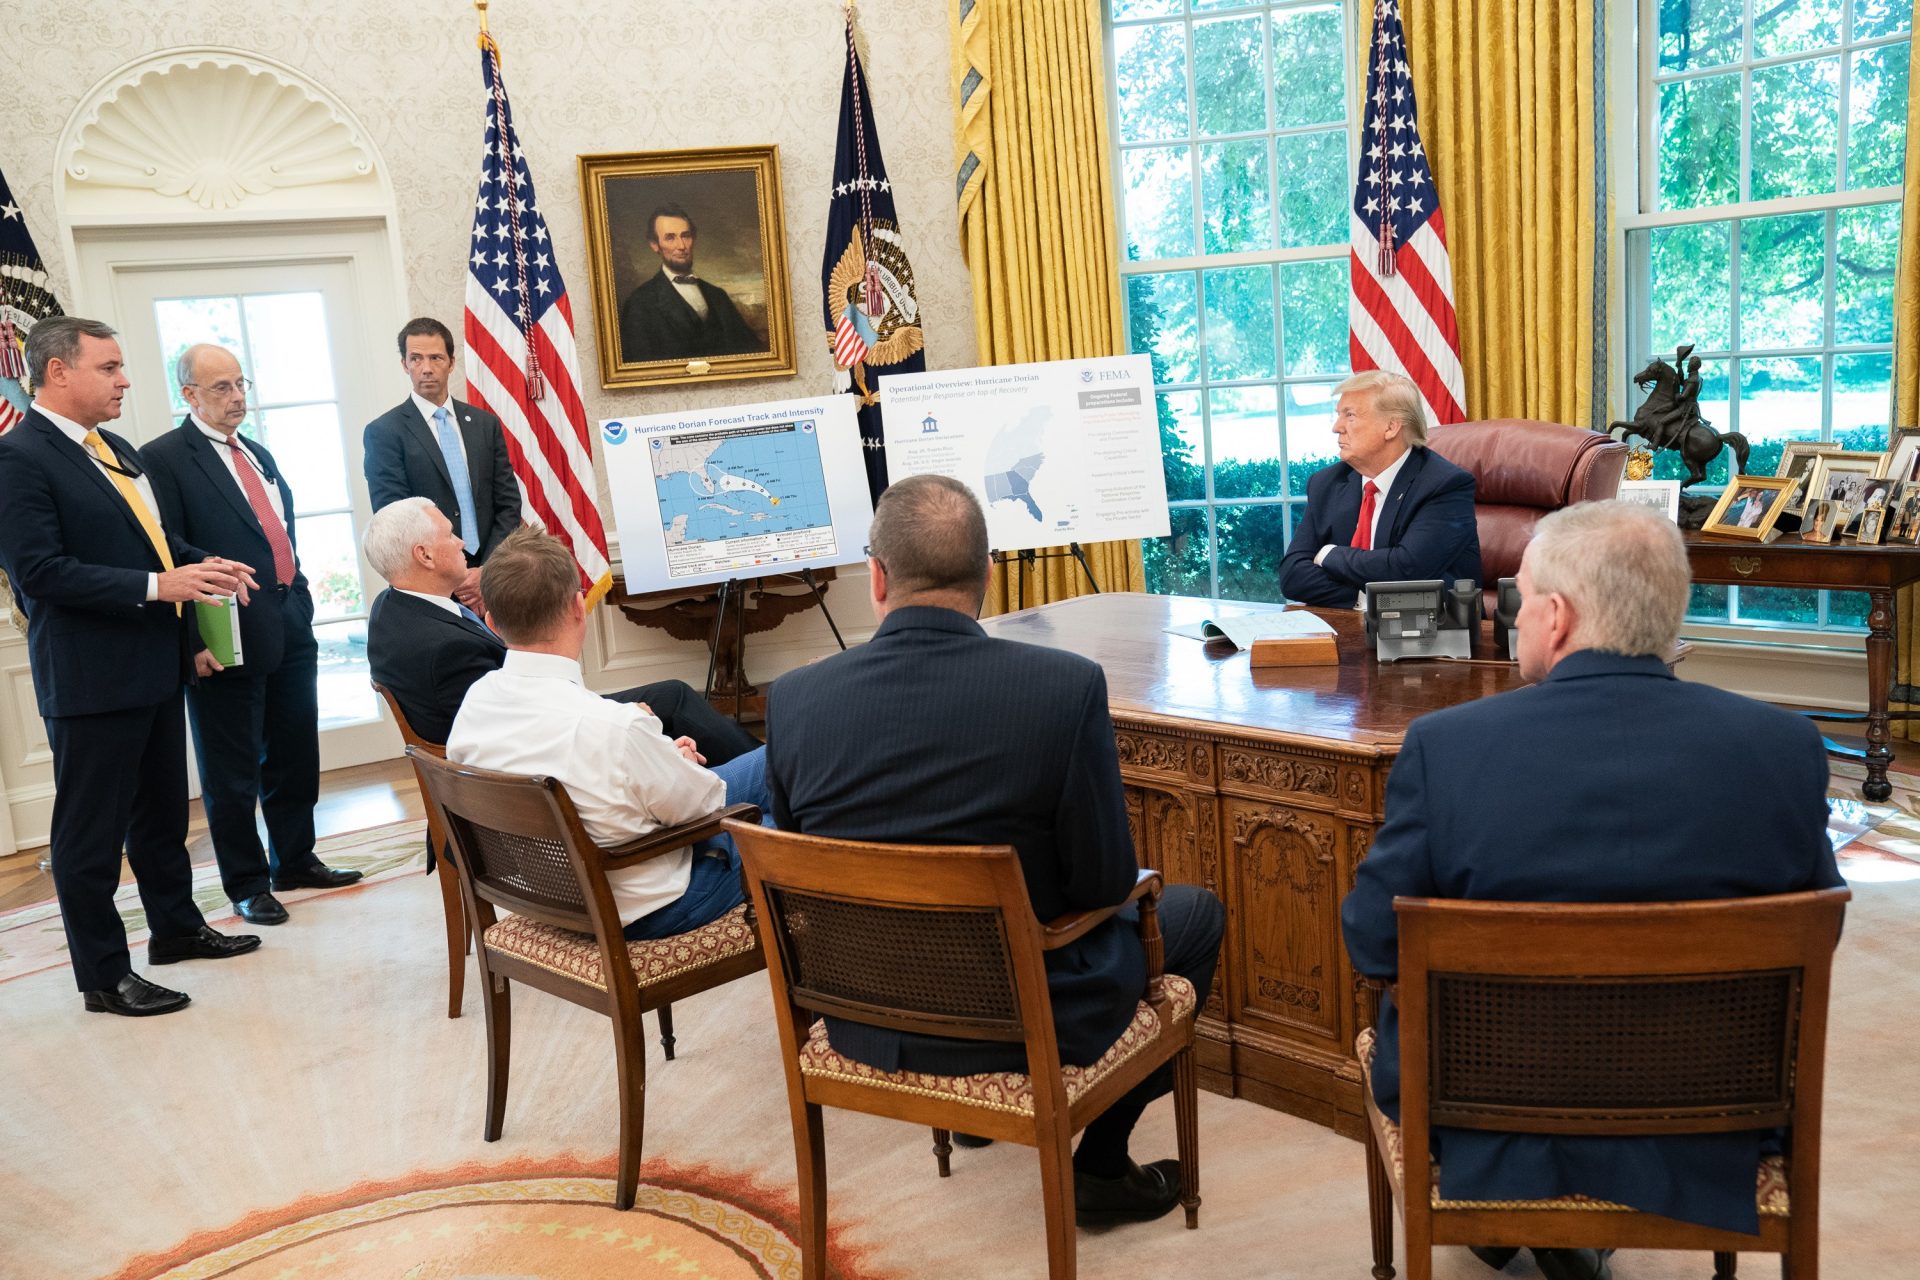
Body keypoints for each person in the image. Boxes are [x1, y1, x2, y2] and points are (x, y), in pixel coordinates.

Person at [1341, 501, 1843, 1280]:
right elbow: (1821, 933)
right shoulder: (1785, 747)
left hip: (1483, 1113)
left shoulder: (1448, 749)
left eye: (1517, 601)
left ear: (1558, 614)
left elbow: (1372, 940)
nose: (1511, 618)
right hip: (1714, 1112)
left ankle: (1523, 1217)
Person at [765, 474, 1226, 1227]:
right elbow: (1106, 880)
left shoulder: (793, 699)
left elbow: (798, 875)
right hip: (1025, 1015)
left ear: (876, 577)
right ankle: (1101, 1169)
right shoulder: (1063, 688)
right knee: (1194, 914)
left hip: (864, 1011)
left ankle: (979, 1118)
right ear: (986, 575)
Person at [0, 317, 262, 1016]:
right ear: (58, 372)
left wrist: (195, 563)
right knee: (89, 838)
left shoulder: (113, 447)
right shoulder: (17, 458)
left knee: (159, 818)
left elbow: (149, 538)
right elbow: (40, 572)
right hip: (90, 679)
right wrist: (159, 586)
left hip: (153, 664)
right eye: (110, 367)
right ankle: (103, 976)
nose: (124, 380)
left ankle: (175, 929)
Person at [445, 528, 774, 938]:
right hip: (654, 906)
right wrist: (671, 762)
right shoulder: (614, 726)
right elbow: (706, 805)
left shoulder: (475, 704)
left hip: (553, 901)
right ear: (579, 608)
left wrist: (661, 758)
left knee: (776, 771)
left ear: (491, 622)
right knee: (786, 780)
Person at [141, 344, 362, 926]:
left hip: (287, 618)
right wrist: (192, 643)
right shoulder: (162, 459)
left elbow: (275, 531)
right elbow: (165, 551)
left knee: (294, 751)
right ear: (188, 395)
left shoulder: (255, 451)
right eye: (221, 388)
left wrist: (301, 588)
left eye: (241, 384)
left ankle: (295, 859)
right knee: (231, 766)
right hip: (222, 630)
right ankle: (245, 882)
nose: (238, 396)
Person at [363, 498, 760, 758]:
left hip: (529, 727)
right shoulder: (445, 649)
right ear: (425, 555)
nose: (463, 542)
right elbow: (523, 729)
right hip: (538, 752)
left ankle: (762, 760)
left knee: (670, 695)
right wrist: (622, 721)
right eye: (450, 535)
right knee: (671, 699)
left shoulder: (392, 608)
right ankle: (773, 768)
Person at [1278, 370, 1480, 608]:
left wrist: (1329, 554)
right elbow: (1293, 575)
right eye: (1339, 415)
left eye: (1350, 415)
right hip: (1345, 629)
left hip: (1434, 636)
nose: (1337, 427)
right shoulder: (1327, 483)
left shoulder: (1444, 485)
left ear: (1391, 427)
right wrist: (1363, 600)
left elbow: (1406, 570)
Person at [361, 317, 521, 609]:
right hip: (432, 586)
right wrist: (454, 574)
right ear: (404, 364)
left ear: (451, 362)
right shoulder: (384, 433)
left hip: (493, 578)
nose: (426, 368)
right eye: (416, 358)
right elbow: (394, 520)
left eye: (436, 358)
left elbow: (508, 504)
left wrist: (486, 571)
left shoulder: (485, 425)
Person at [617, 204, 763, 364]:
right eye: (670, 238)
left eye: (685, 236)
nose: (681, 246)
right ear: (654, 245)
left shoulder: (718, 295)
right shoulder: (639, 303)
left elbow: (753, 352)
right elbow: (640, 368)